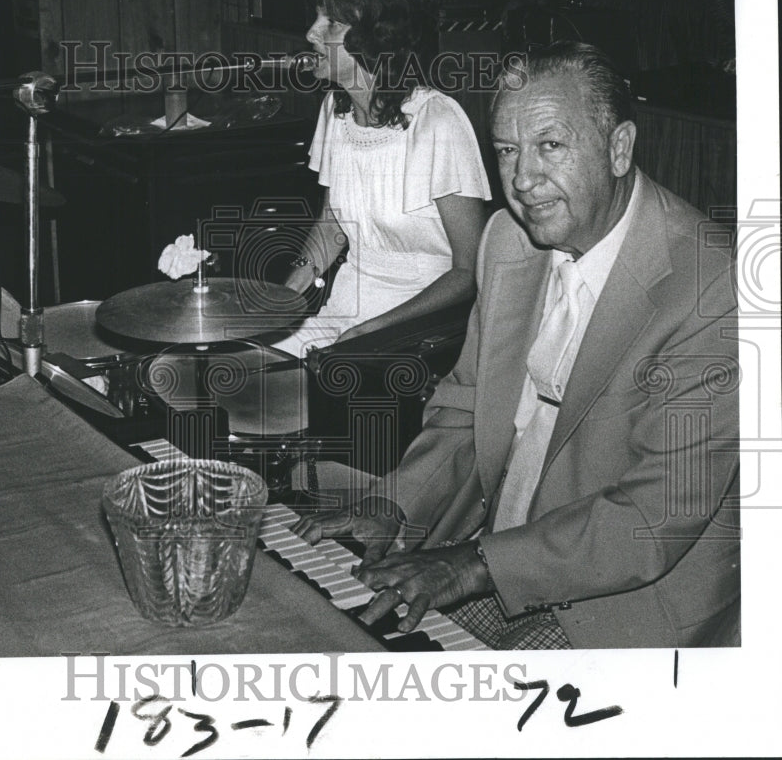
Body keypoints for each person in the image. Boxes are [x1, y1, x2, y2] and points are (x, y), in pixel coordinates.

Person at [295, 41, 739, 649]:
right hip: (491, 551)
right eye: (506, 150)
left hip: (620, 607)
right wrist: (396, 506)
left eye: (551, 146)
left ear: (619, 149)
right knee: (321, 633)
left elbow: (653, 517)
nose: (523, 180)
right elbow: (463, 411)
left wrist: (473, 564)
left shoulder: (713, 287)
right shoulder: (509, 241)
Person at [273, 0, 491, 356]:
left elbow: (469, 271)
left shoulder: (438, 122)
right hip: (344, 315)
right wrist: (279, 304)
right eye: (316, 17)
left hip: (418, 333)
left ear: (373, 37)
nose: (311, 33)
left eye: (331, 22)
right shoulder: (334, 112)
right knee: (246, 364)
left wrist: (375, 329)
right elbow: (331, 227)